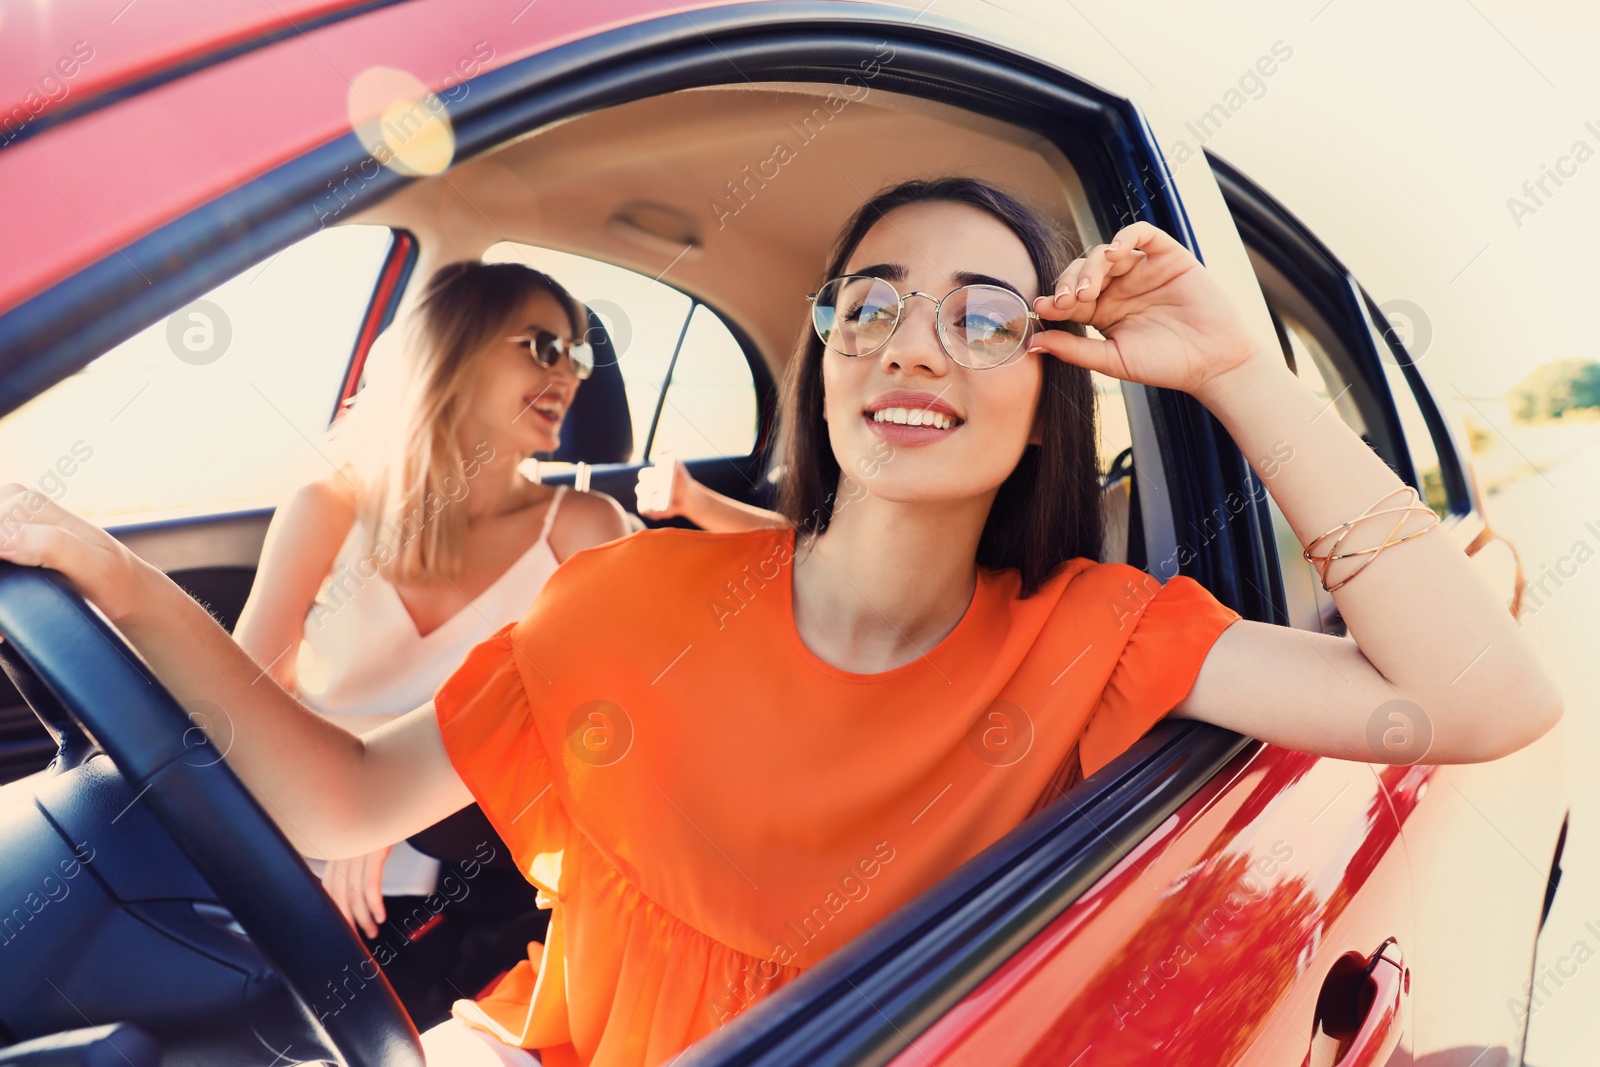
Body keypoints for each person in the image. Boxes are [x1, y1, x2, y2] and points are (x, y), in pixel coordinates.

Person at [0, 177, 1562, 1067]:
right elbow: (340, 792)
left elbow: (1484, 697)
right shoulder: (630, 596)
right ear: (823, 361)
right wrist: (121, 582)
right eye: (869, 302)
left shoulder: (1102, 630)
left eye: (986, 315)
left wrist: (1237, 367)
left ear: (1045, 393)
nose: (915, 346)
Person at [231, 259, 632, 1025]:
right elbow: (240, 706)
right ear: (453, 349)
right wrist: (352, 799)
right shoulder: (327, 507)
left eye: (576, 356)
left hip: (473, 890)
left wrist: (397, 803)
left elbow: (595, 739)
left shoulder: (583, 530)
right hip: (283, 863)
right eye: (543, 346)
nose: (571, 376)